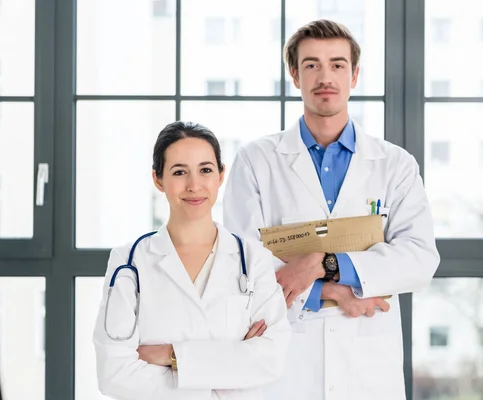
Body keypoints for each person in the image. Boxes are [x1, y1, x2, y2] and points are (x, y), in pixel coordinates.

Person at [223, 19, 440, 399]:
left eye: (338, 64)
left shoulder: (395, 164)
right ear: (294, 74)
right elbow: (243, 265)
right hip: (286, 363)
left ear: (355, 75)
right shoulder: (256, 161)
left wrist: (323, 263)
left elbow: (420, 260)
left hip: (367, 366)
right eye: (312, 65)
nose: (326, 76)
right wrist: (332, 292)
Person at [93, 121, 290, 400]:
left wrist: (171, 356)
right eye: (179, 172)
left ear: (221, 176)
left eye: (206, 170)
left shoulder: (254, 259)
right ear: (158, 179)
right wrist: (226, 373)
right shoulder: (130, 262)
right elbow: (113, 374)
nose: (194, 185)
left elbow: (271, 360)